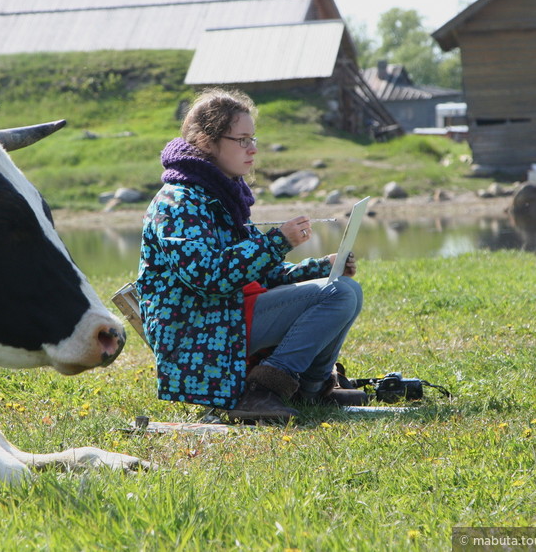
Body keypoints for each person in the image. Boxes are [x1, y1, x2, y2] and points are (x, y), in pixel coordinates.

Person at [136, 88, 366, 422]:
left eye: (252, 138)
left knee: (344, 288)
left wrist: (322, 266)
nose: (253, 148)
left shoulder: (220, 193)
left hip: (228, 315)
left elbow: (260, 275)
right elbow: (208, 278)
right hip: (201, 330)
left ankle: (312, 388)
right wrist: (276, 242)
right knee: (339, 294)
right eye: (242, 139)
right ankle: (260, 392)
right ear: (206, 141)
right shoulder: (178, 202)